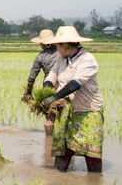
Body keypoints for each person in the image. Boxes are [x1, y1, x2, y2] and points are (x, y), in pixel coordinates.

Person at [41, 26, 103, 172]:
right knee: (63, 151)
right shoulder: (61, 58)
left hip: (87, 111)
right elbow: (52, 75)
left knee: (91, 152)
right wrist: (46, 89)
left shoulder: (87, 59)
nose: (57, 50)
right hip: (66, 110)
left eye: (58, 46)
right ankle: (60, 181)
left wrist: (54, 97)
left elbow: (75, 83)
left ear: (66, 45)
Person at [23, 29, 60, 135]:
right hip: (63, 84)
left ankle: (48, 140)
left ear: (42, 43)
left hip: (48, 86)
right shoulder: (62, 53)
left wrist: (27, 93)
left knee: (49, 116)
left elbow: (32, 77)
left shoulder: (40, 57)